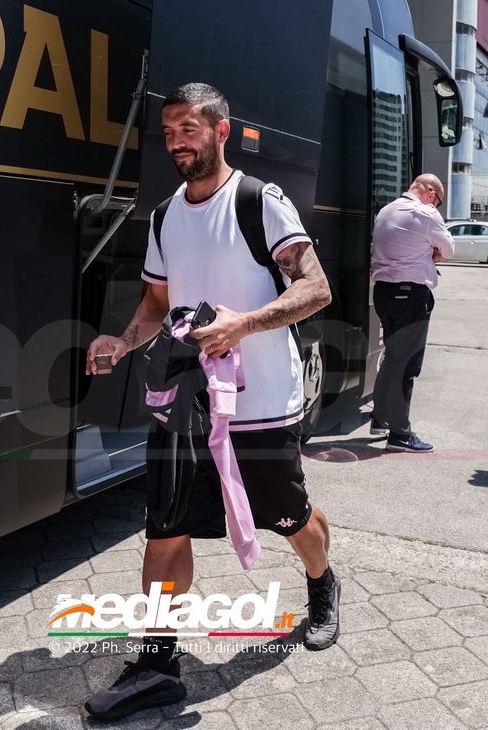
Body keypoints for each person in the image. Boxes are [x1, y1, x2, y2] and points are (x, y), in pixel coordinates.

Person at [82, 83, 337, 721]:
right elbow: (157, 302)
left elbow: (317, 288)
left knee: (290, 518)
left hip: (262, 404)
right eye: (168, 134)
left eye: (188, 130)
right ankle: (159, 662)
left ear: (221, 132)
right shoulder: (166, 214)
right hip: (185, 401)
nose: (176, 143)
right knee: (165, 529)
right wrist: (123, 339)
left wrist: (243, 324)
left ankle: (322, 583)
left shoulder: (259, 201)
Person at [368, 174, 454, 452]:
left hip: (383, 292)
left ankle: (380, 418)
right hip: (410, 294)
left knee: (392, 357)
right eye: (438, 202)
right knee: (407, 364)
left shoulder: (386, 210)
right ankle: (400, 434)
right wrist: (433, 250)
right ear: (430, 193)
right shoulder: (425, 213)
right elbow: (450, 249)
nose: (436, 206)